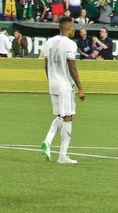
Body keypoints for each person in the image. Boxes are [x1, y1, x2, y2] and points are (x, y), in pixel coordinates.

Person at [40, 16, 86, 164]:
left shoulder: (49, 42)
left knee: (60, 115)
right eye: (72, 27)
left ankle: (51, 145)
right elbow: (72, 67)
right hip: (65, 85)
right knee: (68, 116)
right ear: (67, 28)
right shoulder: (70, 44)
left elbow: (46, 65)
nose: (74, 30)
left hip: (52, 83)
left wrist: (50, 81)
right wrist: (80, 88)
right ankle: (61, 155)